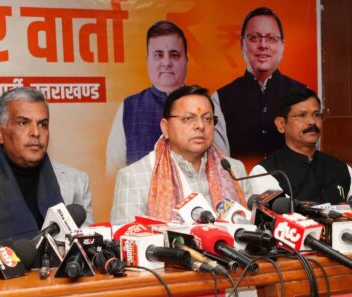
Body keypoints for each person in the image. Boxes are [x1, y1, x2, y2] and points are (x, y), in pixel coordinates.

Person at [0, 87, 93, 260]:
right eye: (23, 123)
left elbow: (88, 253)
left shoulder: (76, 181)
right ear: (0, 132)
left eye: (43, 124)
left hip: (64, 277)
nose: (36, 132)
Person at [111, 85, 251, 224]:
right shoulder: (135, 177)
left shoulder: (234, 170)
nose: (200, 126)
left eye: (207, 118)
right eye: (188, 118)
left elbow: (251, 228)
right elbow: (125, 236)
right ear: (165, 127)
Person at [213, 7, 305, 163]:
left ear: (282, 45)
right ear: (242, 44)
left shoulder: (303, 94)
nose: (263, 45)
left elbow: (308, 154)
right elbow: (221, 163)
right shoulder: (219, 99)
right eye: (254, 37)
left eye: (271, 38)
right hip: (241, 179)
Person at [248, 87, 352, 203]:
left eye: (316, 115)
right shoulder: (266, 172)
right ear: (281, 124)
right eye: (302, 115)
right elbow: (275, 212)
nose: (312, 122)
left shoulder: (342, 169)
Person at [106, 20, 188, 175]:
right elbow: (114, 173)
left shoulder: (204, 106)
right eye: (158, 55)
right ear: (148, 60)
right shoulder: (129, 108)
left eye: (174, 55)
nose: (166, 63)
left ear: (186, 60)